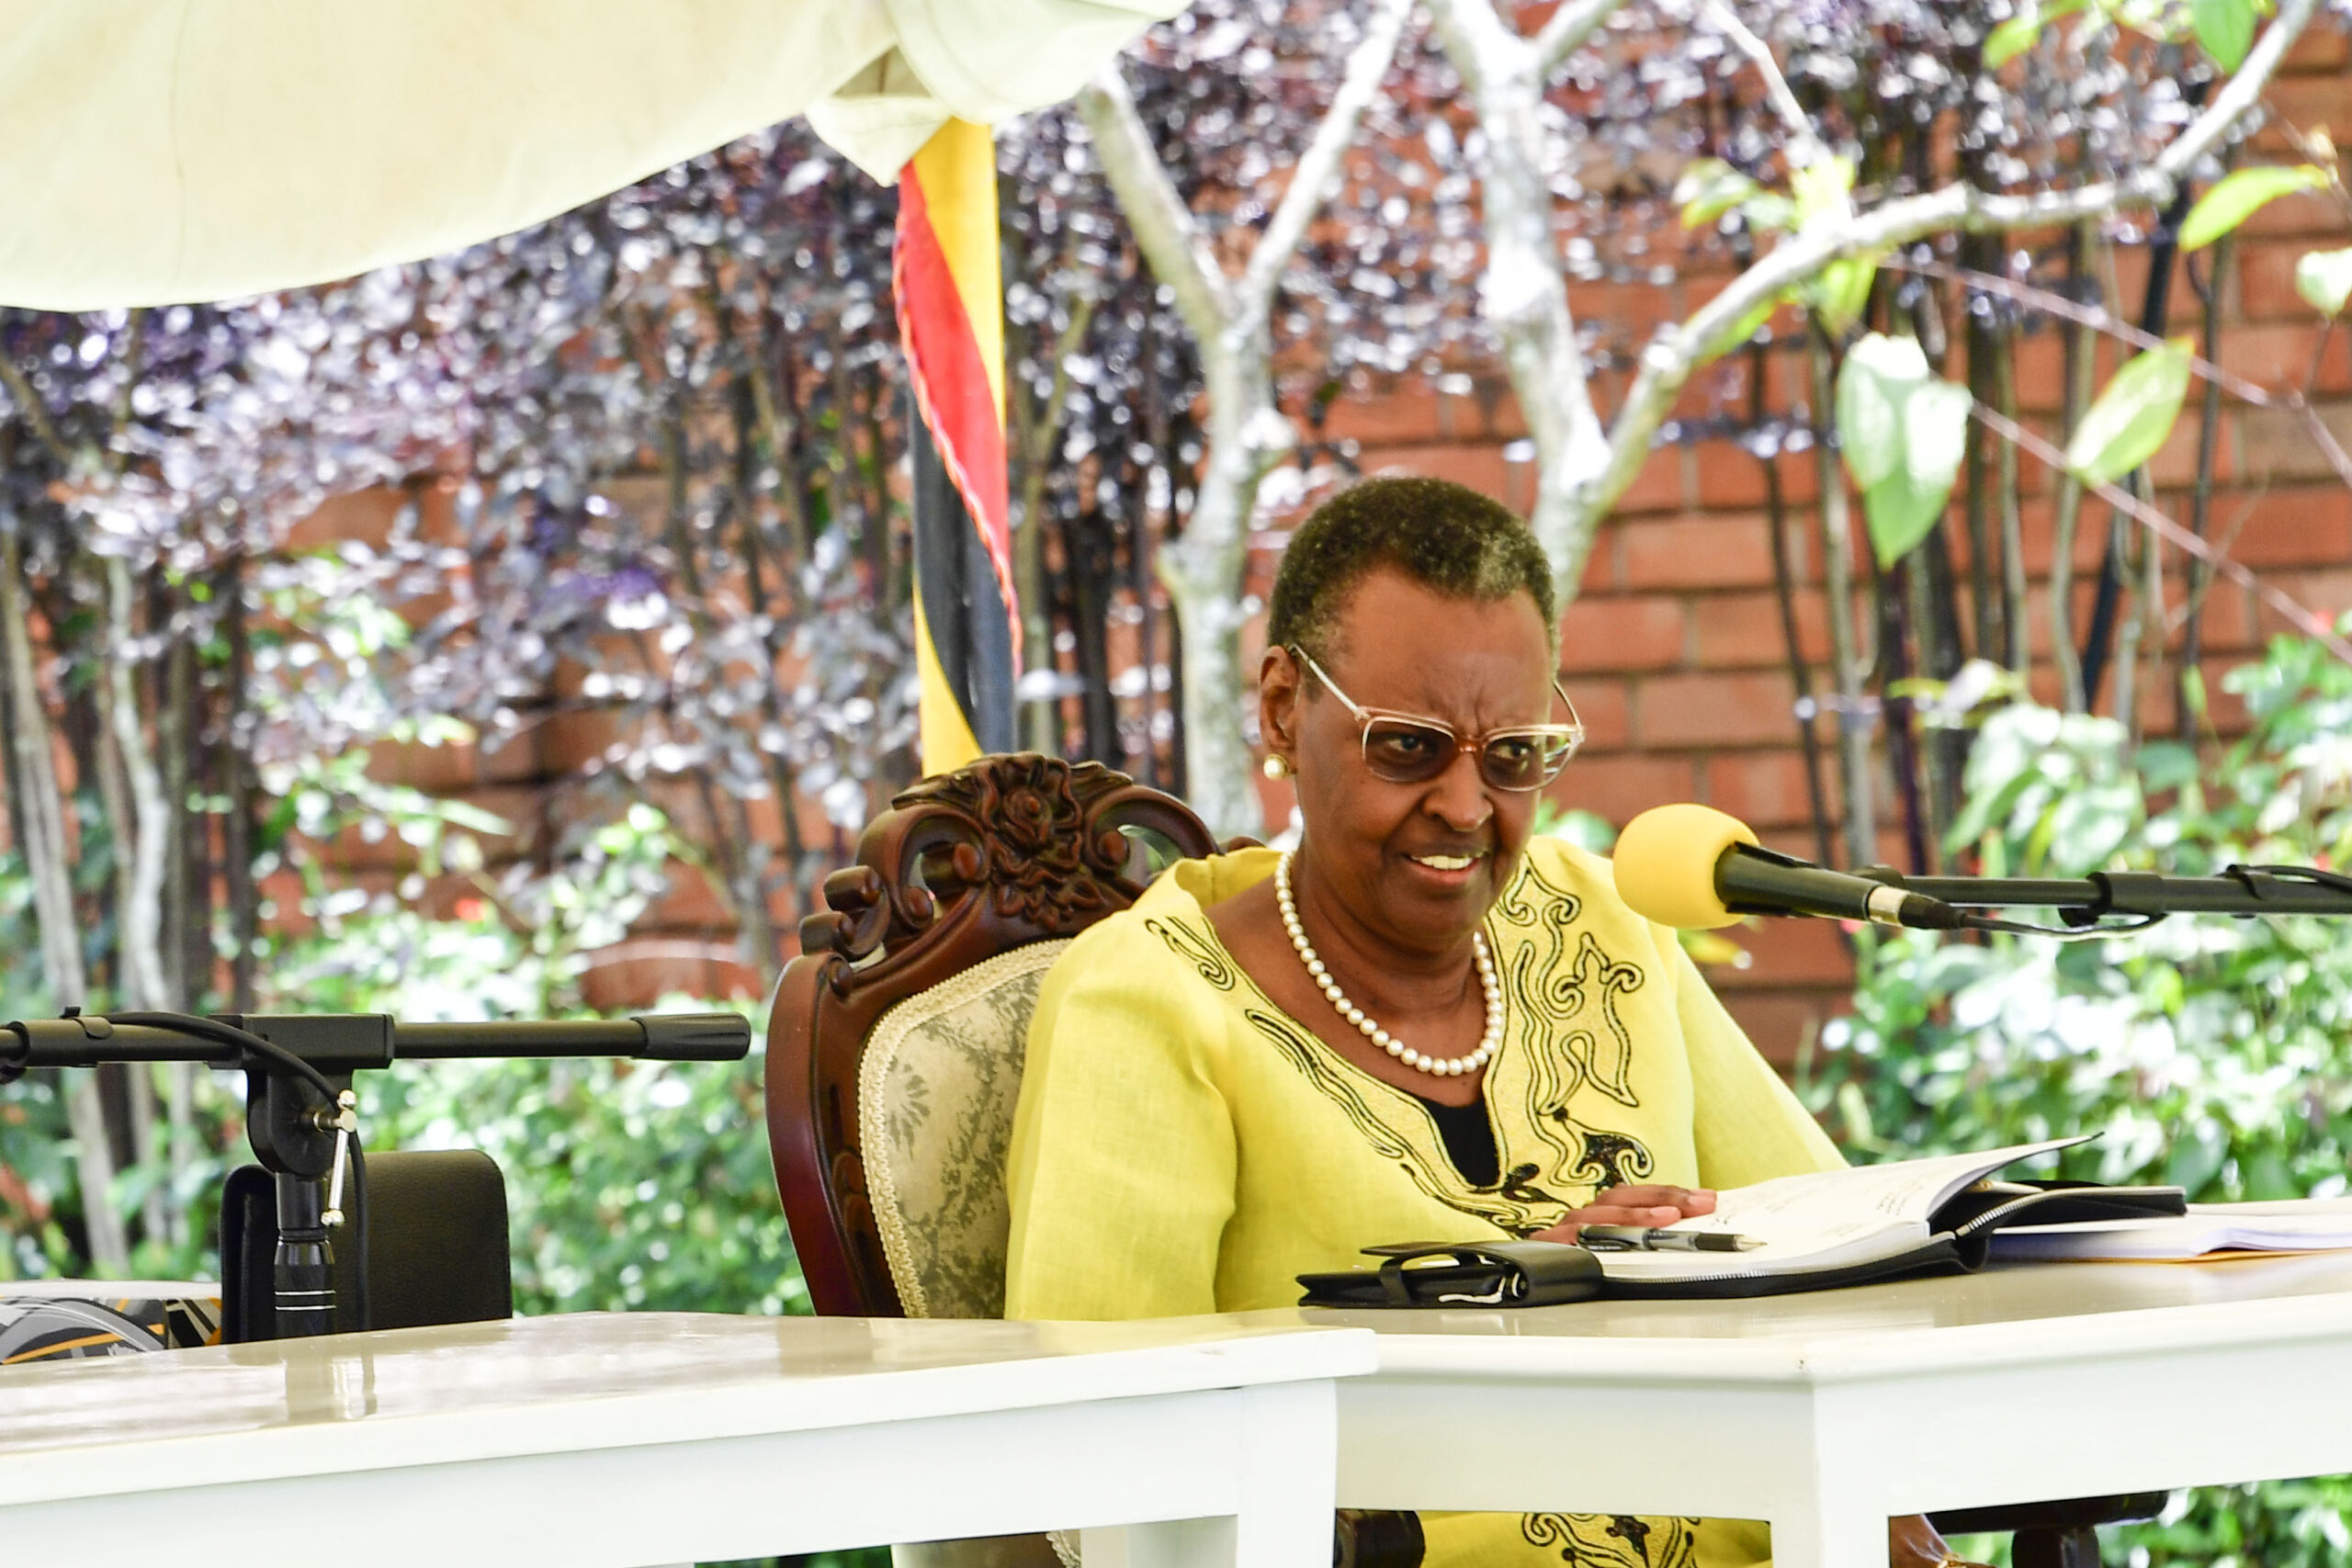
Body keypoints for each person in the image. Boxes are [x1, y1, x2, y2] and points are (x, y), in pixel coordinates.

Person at [1003, 477, 1963, 1568]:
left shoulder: (1603, 920)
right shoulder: (1151, 1005)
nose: (1466, 807)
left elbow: (1842, 1244)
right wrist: (1512, 1300)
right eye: (1409, 747)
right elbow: (1102, 1461)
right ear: (1281, 707)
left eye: (1512, 757)